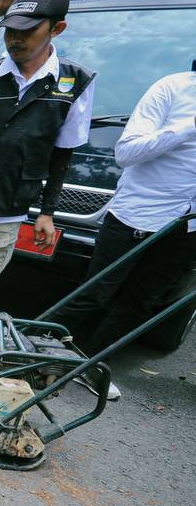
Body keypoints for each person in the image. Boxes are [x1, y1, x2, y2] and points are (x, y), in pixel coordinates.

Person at [0, 0, 95, 323]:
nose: (16, 39)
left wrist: (48, 212)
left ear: (57, 28)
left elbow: (63, 151)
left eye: (27, 32)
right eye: (10, 31)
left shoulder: (74, 83)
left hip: (6, 214)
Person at [52, 69, 196, 393]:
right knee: (94, 292)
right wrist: (189, 127)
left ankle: (91, 365)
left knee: (140, 304)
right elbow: (126, 153)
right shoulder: (172, 88)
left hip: (187, 226)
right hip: (137, 214)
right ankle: (24, 351)